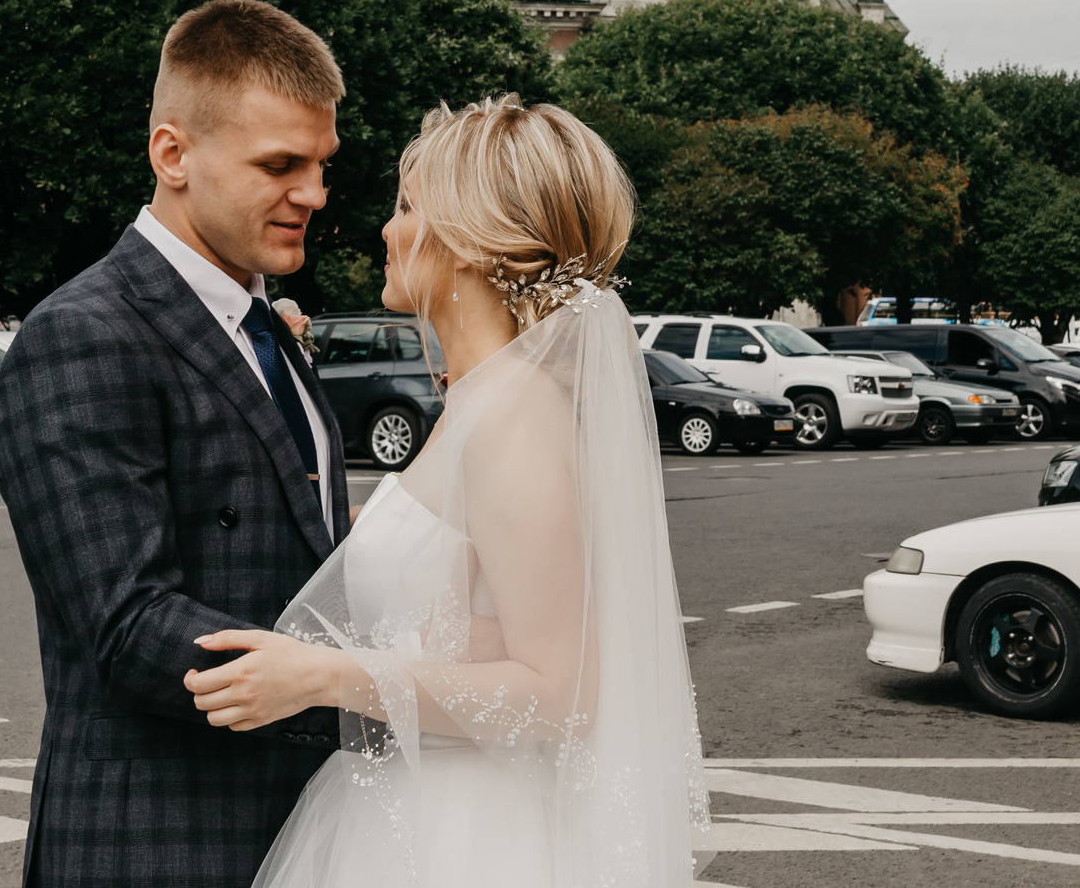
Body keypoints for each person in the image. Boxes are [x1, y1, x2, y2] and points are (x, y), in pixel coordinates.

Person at [183, 96, 709, 888]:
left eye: (406, 206)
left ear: (464, 238)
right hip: (409, 806)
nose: (387, 229)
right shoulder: (480, 399)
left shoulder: (514, 417)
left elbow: (559, 695)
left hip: (468, 839)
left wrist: (324, 675)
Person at [0, 0, 352, 888]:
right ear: (173, 154)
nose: (312, 193)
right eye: (279, 164)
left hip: (301, 833)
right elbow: (128, 624)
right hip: (155, 845)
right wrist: (358, 686)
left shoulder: (266, 326)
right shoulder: (82, 333)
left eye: (320, 164)